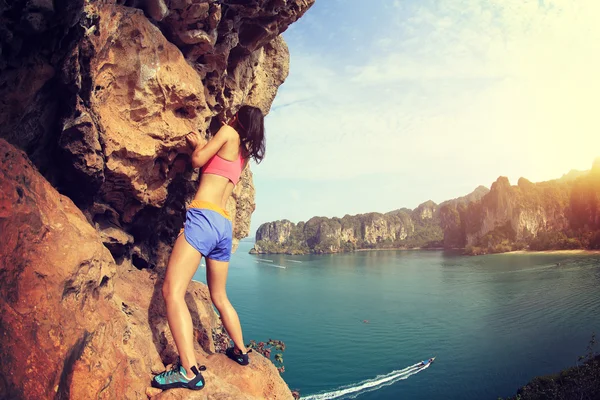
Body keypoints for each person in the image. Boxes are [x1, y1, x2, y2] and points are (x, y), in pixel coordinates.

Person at [151, 105, 266, 391]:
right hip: (223, 225)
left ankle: (188, 372)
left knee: (171, 291)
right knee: (220, 296)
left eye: (234, 114)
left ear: (237, 119)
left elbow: (199, 160)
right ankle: (240, 351)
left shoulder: (227, 132)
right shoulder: (243, 155)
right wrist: (202, 146)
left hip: (203, 217)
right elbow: (215, 166)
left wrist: (195, 146)